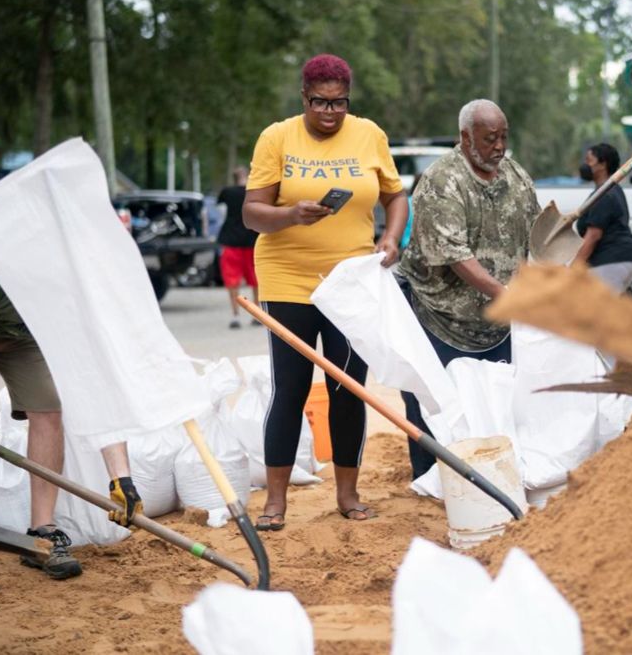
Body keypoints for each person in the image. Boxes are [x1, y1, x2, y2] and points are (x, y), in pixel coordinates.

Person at [243, 53, 408, 530]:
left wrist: (391, 238)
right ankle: (275, 502)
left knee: (347, 388)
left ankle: (348, 494)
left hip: (351, 282)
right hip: (288, 278)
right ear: (304, 97)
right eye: (320, 102)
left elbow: (396, 196)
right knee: (290, 388)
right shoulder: (277, 137)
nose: (330, 112)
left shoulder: (369, 135)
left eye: (339, 103)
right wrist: (291, 214)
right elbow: (252, 213)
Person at [0, 231, 142, 578]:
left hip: (23, 333)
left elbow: (96, 388)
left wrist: (120, 477)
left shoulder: (78, 291)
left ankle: (41, 532)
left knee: (49, 409)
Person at [399, 99, 540, 479]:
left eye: (504, 137)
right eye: (489, 138)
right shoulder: (442, 180)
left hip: (495, 323)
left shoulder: (516, 177)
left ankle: (490, 476)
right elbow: (455, 255)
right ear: (465, 137)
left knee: (495, 407)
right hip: (439, 317)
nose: (499, 147)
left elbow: (534, 237)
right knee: (435, 407)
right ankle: (429, 480)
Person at [574, 142, 632, 292]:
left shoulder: (604, 194)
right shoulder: (613, 190)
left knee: (598, 312)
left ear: (603, 164)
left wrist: (574, 267)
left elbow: (593, 236)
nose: (585, 165)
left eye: (589, 160)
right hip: (623, 259)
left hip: (610, 260)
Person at [216, 166, 259, 329]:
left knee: (232, 280)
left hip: (231, 240)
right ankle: (257, 314)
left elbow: (220, 213)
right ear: (248, 176)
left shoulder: (226, 192)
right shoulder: (254, 192)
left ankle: (235, 315)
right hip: (251, 240)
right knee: (256, 280)